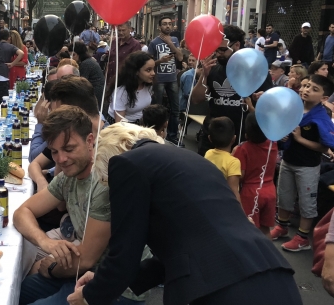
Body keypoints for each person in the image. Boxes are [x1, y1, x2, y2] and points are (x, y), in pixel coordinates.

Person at [66, 123, 300, 305]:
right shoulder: (191, 160)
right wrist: (101, 279)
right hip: (269, 269)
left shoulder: (126, 163)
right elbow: (184, 249)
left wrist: (90, 296)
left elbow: (124, 251)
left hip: (220, 286)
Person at [16, 106, 114, 305]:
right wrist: (45, 242)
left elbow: (86, 260)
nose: (61, 159)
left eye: (69, 149)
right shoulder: (67, 177)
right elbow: (22, 212)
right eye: (54, 151)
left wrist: (51, 268)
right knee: (19, 291)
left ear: (89, 141)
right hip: (78, 273)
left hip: (110, 283)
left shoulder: (103, 181)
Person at [272, 74, 334, 251]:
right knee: (284, 196)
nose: (307, 90)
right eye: (307, 86)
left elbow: (324, 147)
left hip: (307, 167)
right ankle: (282, 226)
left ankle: (302, 238)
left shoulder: (321, 118)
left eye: (314, 89)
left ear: (323, 98)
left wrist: (299, 139)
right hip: (288, 160)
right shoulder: (294, 109)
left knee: (307, 202)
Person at [192, 24, 274, 155]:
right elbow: (196, 99)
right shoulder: (213, 67)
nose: (218, 54)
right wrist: (204, 75)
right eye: (216, 50)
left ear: (236, 45)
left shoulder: (256, 71)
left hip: (240, 137)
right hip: (212, 136)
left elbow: (269, 109)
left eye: (223, 50)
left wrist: (261, 98)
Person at [233, 112, 278, 238]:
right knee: (265, 229)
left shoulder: (242, 149)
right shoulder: (273, 144)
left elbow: (240, 175)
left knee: (248, 230)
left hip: (251, 193)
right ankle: (267, 256)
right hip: (270, 190)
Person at [148, 16, 183, 144]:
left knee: (175, 109)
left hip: (172, 78)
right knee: (157, 108)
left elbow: (179, 57)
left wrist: (170, 43)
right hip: (159, 79)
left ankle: (172, 136)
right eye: (164, 24)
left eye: (169, 24)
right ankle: (156, 135)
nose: (167, 26)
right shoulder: (154, 43)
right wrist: (160, 61)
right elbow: (149, 63)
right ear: (159, 27)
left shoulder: (174, 40)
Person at [107, 51, 154, 125]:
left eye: (153, 69)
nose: (153, 73)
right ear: (136, 72)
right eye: (148, 70)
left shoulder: (148, 85)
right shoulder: (121, 92)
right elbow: (119, 124)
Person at [204, 117, 241, 202]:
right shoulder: (234, 162)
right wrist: (241, 214)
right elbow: (234, 191)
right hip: (224, 202)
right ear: (234, 138)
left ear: (210, 138)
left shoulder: (208, 153)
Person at [0, 29, 23, 104]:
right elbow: (21, 53)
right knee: (2, 103)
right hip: (3, 77)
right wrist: (12, 63)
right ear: (9, 38)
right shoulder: (11, 47)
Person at [71, 41, 105, 108]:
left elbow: (81, 83)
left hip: (95, 94)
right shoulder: (88, 61)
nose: (72, 57)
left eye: (73, 55)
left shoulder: (86, 64)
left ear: (79, 54)